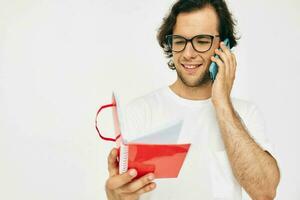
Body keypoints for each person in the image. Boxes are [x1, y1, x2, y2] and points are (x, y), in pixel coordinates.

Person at [104, 0, 280, 199]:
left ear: (224, 46)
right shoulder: (141, 111)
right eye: (180, 41)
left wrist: (222, 103)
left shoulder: (245, 114)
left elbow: (265, 192)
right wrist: (115, 195)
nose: (188, 54)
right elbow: (125, 193)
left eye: (202, 41)